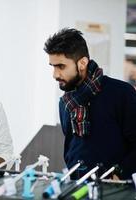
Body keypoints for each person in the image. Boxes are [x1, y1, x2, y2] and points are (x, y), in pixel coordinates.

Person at [44, 28, 136, 179]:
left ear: (82, 63)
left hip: (115, 188)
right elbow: (71, 148)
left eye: (61, 66)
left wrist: (120, 173)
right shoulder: (65, 103)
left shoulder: (121, 93)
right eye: (53, 66)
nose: (55, 75)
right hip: (77, 186)